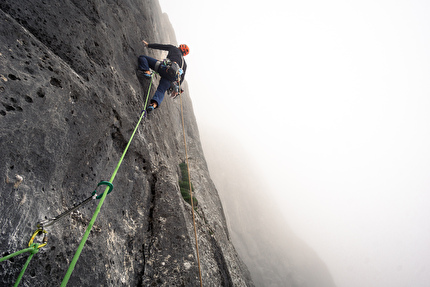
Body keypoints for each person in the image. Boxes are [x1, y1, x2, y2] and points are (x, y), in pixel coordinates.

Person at [138, 40, 189, 112]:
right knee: (161, 90)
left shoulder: (174, 48)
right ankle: (154, 104)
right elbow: (182, 78)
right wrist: (176, 88)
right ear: (184, 54)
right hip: (171, 79)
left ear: (180, 47)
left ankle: (147, 72)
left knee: (143, 57)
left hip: (163, 68)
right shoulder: (184, 65)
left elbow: (161, 46)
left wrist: (148, 45)